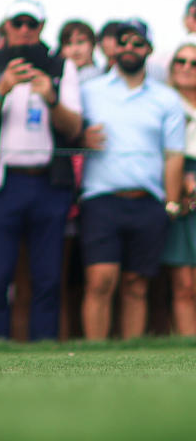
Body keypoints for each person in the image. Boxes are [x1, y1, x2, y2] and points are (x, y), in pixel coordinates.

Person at [0, 0, 82, 342]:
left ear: (42, 27)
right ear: (7, 26)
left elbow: (73, 128)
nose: (25, 31)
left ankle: (44, 345)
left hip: (48, 182)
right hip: (3, 184)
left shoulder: (60, 66)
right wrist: (1, 90)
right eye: (18, 23)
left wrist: (51, 97)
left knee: (48, 276)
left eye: (32, 24)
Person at [79, 19, 185, 340]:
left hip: (148, 201)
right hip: (101, 198)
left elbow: (174, 155)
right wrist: (79, 137)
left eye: (137, 43)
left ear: (148, 50)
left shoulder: (166, 99)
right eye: (122, 42)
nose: (129, 49)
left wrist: (170, 202)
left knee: (136, 284)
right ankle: (95, 356)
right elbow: (68, 133)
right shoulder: (89, 92)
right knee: (100, 279)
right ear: (113, 49)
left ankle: (130, 357)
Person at [162, 34, 196, 335]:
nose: (187, 67)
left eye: (194, 63)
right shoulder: (162, 101)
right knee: (184, 283)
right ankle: (188, 348)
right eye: (181, 61)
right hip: (175, 190)